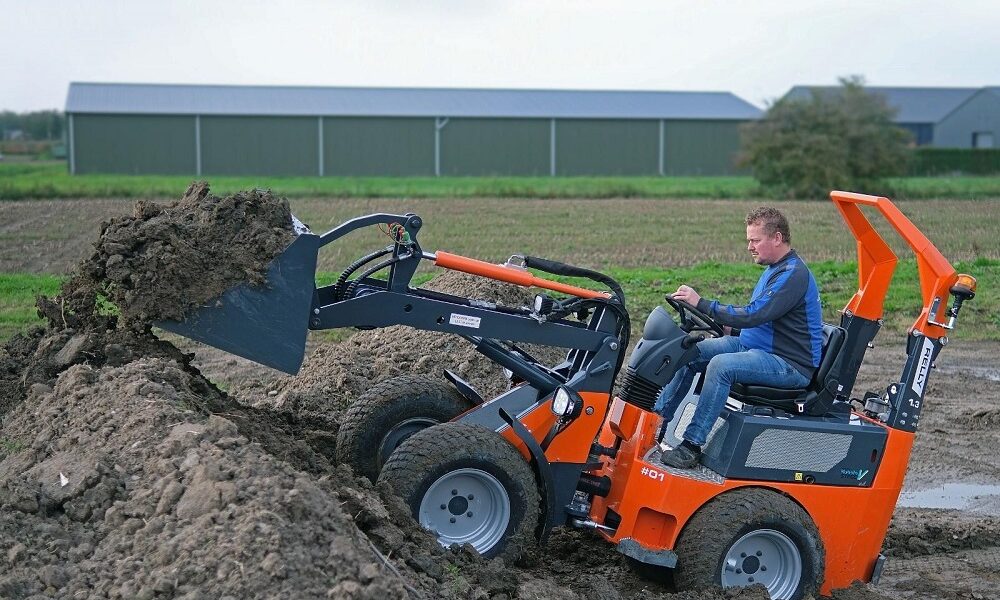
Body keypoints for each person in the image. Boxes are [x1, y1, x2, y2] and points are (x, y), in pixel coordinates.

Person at [656, 206, 824, 469]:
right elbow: (763, 321)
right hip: (756, 347)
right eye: (749, 240)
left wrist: (702, 303)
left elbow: (754, 315)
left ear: (777, 238)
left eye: (755, 240)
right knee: (687, 350)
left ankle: (691, 446)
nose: (750, 247)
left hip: (787, 363)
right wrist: (731, 330)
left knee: (721, 366)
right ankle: (656, 423)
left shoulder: (793, 274)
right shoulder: (775, 270)